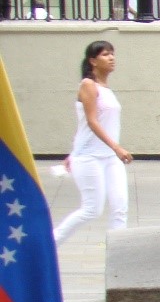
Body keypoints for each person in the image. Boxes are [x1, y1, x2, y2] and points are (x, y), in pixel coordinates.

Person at [52, 41, 133, 245]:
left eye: (112, 53)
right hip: (90, 158)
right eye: (105, 54)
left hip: (110, 158)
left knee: (120, 207)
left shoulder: (107, 89)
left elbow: (85, 127)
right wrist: (116, 147)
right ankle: (50, 243)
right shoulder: (88, 85)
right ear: (93, 61)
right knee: (92, 209)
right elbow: (91, 121)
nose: (111, 58)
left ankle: (119, 251)